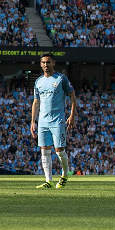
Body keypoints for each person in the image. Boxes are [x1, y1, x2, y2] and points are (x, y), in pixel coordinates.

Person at [31, 53, 77, 189]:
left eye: (48, 62)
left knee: (59, 151)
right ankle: (48, 181)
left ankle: (65, 175)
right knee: (44, 151)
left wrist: (72, 115)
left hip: (58, 120)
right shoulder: (38, 81)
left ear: (53, 63)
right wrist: (33, 121)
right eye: (43, 62)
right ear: (40, 64)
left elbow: (72, 96)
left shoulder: (61, 79)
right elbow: (36, 102)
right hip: (43, 121)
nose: (46, 65)